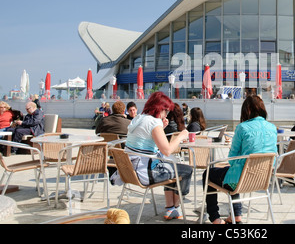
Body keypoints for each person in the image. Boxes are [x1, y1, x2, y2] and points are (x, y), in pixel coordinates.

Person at [110, 92, 192, 220]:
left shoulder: (139, 118)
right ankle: (175, 207)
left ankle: (170, 208)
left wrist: (161, 128)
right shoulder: (154, 122)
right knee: (186, 170)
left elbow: (147, 140)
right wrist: (181, 136)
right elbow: (167, 150)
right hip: (145, 173)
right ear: (160, 109)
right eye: (166, 111)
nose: (166, 114)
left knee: (172, 167)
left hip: (129, 171)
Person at [202, 95, 277, 224]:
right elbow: (273, 158)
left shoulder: (242, 128)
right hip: (262, 179)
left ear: (246, 110)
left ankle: (215, 218)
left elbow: (232, 159)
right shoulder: (272, 128)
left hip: (240, 179)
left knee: (208, 173)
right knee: (234, 171)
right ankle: (236, 216)